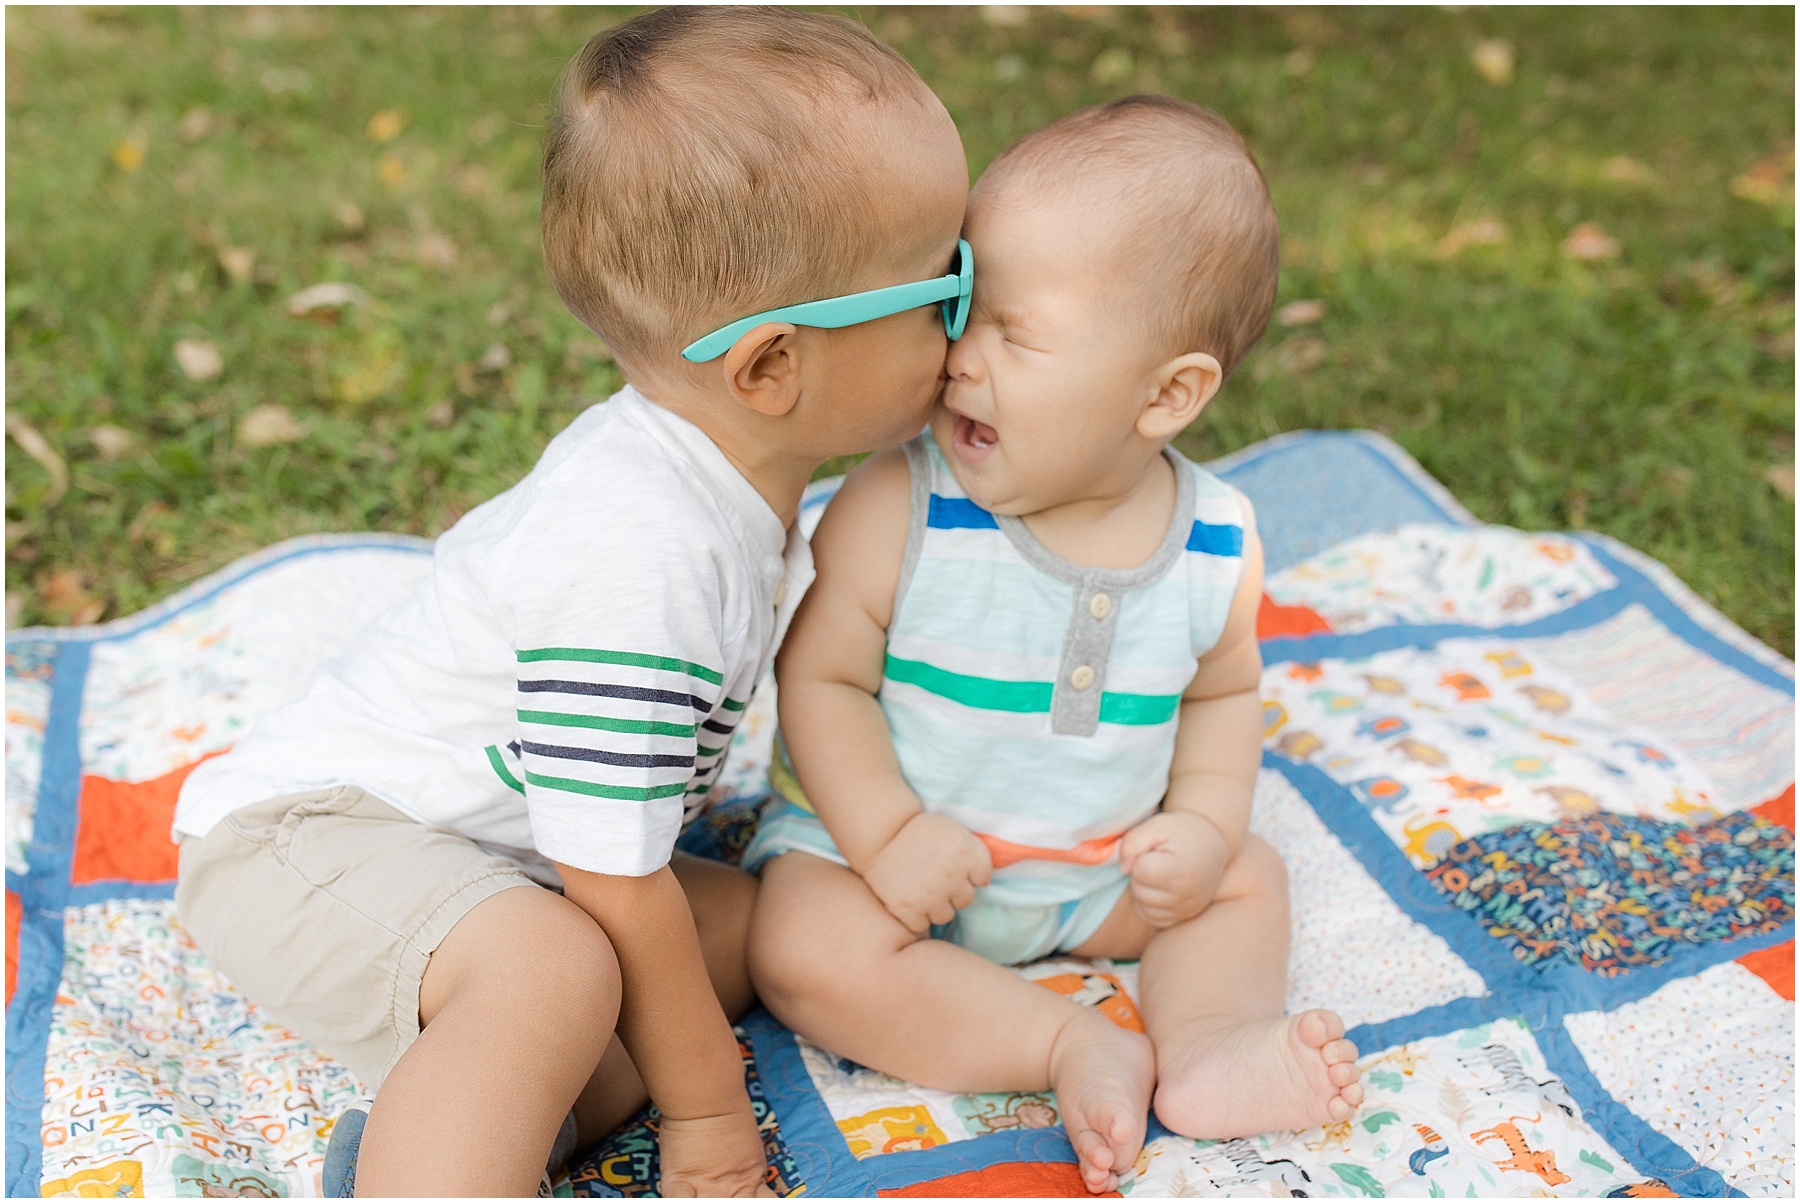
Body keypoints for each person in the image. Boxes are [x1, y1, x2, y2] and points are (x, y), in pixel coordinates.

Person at [169, 7, 969, 1196]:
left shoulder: (729, 480)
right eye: (944, 282)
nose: (973, 306)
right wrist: (706, 1115)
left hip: (499, 863)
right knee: (559, 968)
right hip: (309, 843)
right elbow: (609, 878)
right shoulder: (642, 555)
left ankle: (435, 1142)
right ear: (773, 367)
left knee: (742, 931)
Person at [745, 95, 1363, 1196]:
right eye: (964, 307)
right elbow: (821, 675)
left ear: (1167, 394)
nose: (962, 358)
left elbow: (1223, 700)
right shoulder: (902, 504)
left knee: (1247, 881)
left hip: (1098, 867)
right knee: (797, 946)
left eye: (1016, 334)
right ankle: (1063, 1045)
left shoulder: (1216, 543)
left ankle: (1212, 1044)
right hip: (888, 868)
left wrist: (1205, 831)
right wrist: (887, 833)